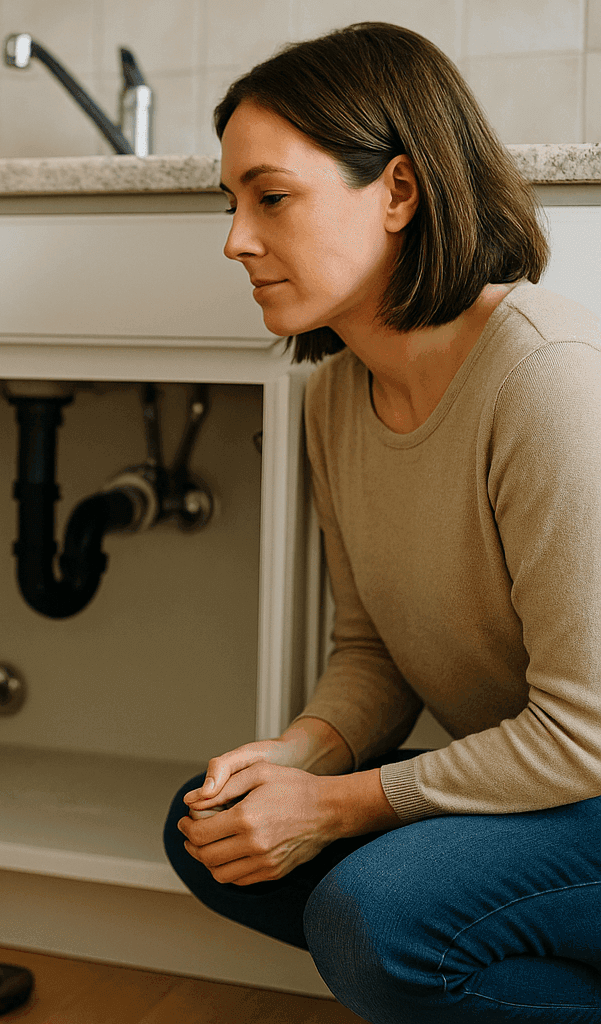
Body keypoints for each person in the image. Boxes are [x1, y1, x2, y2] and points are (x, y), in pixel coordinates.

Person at [162, 22, 601, 1024]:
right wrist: (302, 755)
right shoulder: (334, 399)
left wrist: (331, 807)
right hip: (555, 792)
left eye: (270, 196)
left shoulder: (548, 379)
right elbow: (375, 650)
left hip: (591, 776)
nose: (236, 238)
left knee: (378, 913)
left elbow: (586, 732)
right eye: (231, 203)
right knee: (212, 827)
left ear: (399, 190)